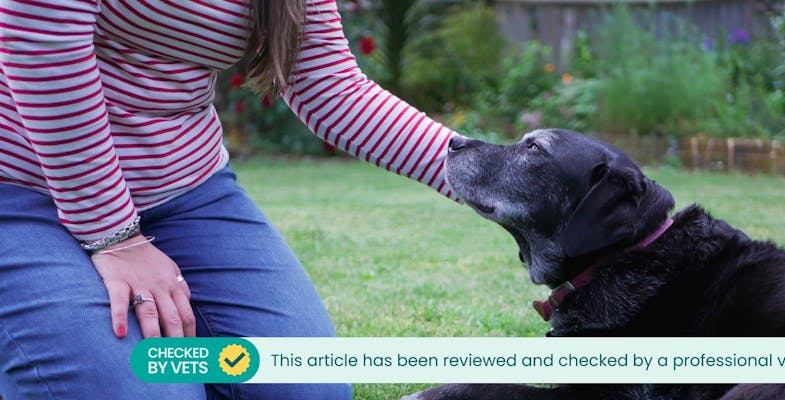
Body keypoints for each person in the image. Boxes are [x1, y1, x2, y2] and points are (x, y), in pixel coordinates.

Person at [0, 1, 460, 398]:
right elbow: (38, 44)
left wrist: (488, 178)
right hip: (20, 186)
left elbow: (328, 83)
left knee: (303, 385)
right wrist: (116, 238)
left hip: (185, 192)